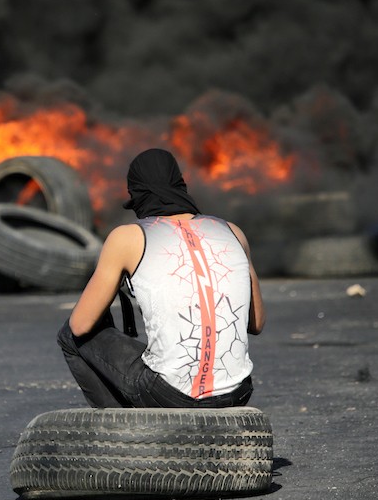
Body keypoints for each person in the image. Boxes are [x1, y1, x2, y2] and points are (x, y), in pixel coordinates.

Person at [58, 148, 264, 408]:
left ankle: (122, 432)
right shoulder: (232, 231)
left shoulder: (127, 237)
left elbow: (80, 325)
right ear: (181, 187)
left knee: (69, 335)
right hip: (238, 394)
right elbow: (256, 323)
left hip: (168, 396)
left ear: (137, 197)